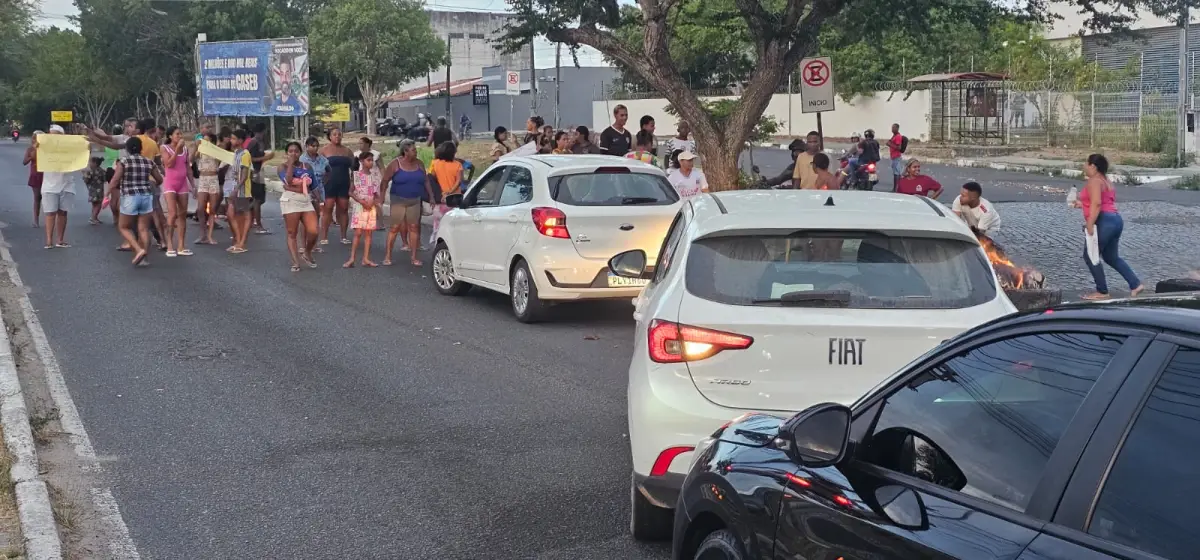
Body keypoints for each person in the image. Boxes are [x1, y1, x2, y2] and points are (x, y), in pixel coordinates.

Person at [1073, 154, 1143, 300]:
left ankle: (1102, 291)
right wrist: (1082, 204)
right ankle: (1135, 284)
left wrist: (1090, 224)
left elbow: (1097, 203)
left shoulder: (1094, 181)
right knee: (1111, 257)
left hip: (1104, 221)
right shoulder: (1105, 180)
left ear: (1093, 166)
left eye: (1086, 163)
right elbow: (1103, 201)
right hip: (1115, 220)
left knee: (1090, 255)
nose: (1084, 166)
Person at [107, 136, 163, 266]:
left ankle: (138, 250)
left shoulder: (124, 161)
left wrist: (107, 193)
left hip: (130, 196)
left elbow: (115, 180)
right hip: (146, 196)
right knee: (143, 229)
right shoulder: (148, 162)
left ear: (127, 149)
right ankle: (144, 258)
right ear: (141, 148)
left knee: (123, 227)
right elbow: (159, 179)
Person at [382, 139, 435, 267]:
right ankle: (388, 256)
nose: (416, 152)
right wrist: (381, 196)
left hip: (415, 200)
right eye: (413, 150)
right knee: (394, 227)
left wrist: (431, 196)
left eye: (415, 150)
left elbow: (426, 181)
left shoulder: (419, 164)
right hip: (398, 200)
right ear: (405, 151)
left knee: (414, 227)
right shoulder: (395, 164)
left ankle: (414, 257)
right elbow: (384, 180)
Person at [278, 141, 319, 272]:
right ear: (286, 153)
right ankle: (295, 262)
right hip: (291, 200)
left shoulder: (307, 166)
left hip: (306, 200)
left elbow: (313, 186)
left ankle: (307, 252)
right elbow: (288, 181)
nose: (293, 153)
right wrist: (290, 164)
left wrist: (320, 200)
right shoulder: (282, 167)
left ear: (300, 153)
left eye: (296, 151)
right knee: (292, 232)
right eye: (290, 151)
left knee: (313, 231)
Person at [39, 125, 77, 248]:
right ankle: (49, 240)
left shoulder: (69, 148)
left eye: (56, 134)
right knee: (50, 213)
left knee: (63, 213)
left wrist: (86, 148)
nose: (53, 136)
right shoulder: (44, 148)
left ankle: (60, 240)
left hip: (66, 184)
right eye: (51, 134)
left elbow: (81, 157)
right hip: (49, 186)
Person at [160, 126, 193, 256]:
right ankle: (169, 245)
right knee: (172, 214)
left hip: (182, 184)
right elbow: (169, 164)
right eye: (177, 134)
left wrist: (193, 186)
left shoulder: (185, 149)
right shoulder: (164, 148)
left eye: (181, 134)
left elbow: (188, 168)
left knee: (182, 214)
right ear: (170, 136)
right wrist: (177, 150)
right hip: (170, 184)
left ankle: (181, 245)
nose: (180, 136)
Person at [345, 151, 381, 268]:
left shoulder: (374, 176)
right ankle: (352, 258)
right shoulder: (356, 175)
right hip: (360, 206)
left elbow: (376, 193)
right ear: (361, 161)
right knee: (358, 233)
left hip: (370, 207)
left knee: (369, 233)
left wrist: (374, 202)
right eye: (368, 160)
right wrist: (361, 201)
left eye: (372, 160)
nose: (371, 163)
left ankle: (366, 258)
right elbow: (350, 192)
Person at [319, 127, 355, 245]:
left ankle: (343, 236)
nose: (337, 137)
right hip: (329, 183)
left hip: (344, 182)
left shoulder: (347, 151)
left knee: (343, 209)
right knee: (328, 208)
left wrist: (353, 183)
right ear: (329, 136)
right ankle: (324, 236)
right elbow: (318, 168)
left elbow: (354, 169)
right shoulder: (324, 151)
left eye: (339, 134)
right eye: (334, 134)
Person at [223, 129, 254, 254]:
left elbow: (245, 175)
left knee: (244, 214)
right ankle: (238, 240)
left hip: (242, 190)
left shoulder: (245, 154)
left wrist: (236, 189)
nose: (231, 140)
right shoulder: (236, 153)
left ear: (241, 140)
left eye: (234, 138)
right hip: (235, 187)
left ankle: (242, 242)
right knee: (232, 214)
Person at [428, 141, 464, 245]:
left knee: (438, 224)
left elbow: (432, 178)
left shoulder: (436, 163)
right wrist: (450, 191)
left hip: (440, 199)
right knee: (453, 226)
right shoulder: (458, 165)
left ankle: (437, 243)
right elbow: (459, 181)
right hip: (454, 199)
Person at [192, 131, 222, 245]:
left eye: (207, 140)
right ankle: (202, 234)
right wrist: (196, 146)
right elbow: (191, 159)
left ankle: (209, 236)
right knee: (200, 208)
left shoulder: (216, 151)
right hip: (203, 179)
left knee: (213, 209)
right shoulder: (200, 150)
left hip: (213, 179)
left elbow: (222, 159)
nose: (205, 142)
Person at [246, 122, 272, 234]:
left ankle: (251, 221)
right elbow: (249, 159)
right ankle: (258, 225)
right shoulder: (254, 142)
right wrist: (265, 157)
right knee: (257, 200)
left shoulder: (260, 142)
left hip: (259, 172)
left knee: (260, 199)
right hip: (254, 173)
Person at [300, 136, 331, 219]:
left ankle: (315, 231)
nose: (315, 148)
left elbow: (329, 171)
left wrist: (324, 181)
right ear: (307, 146)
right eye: (313, 146)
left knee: (317, 214)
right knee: (305, 216)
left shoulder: (322, 160)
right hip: (306, 190)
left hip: (319, 190)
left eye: (317, 146)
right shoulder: (301, 159)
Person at [23, 131, 44, 228]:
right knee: (37, 198)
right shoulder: (30, 149)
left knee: (48, 198)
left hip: (47, 175)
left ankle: (51, 218)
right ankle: (36, 220)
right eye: (35, 138)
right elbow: (24, 162)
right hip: (36, 175)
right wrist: (32, 154)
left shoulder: (46, 149)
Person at [83, 156, 107, 225]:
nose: (89, 164)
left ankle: (94, 217)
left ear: (95, 163)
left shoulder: (90, 171)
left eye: (90, 162)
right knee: (98, 205)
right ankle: (93, 218)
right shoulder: (101, 171)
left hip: (92, 191)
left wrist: (84, 174)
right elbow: (105, 179)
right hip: (99, 191)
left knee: (94, 205)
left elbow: (86, 180)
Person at [886, 123, 905, 190]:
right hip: (893, 157)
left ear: (897, 128)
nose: (892, 129)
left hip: (896, 157)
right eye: (892, 127)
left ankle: (895, 188)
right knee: (896, 173)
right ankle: (897, 187)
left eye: (893, 128)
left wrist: (889, 144)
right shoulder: (894, 136)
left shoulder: (898, 136)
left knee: (896, 173)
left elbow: (899, 147)